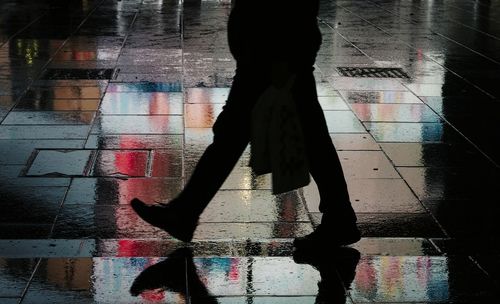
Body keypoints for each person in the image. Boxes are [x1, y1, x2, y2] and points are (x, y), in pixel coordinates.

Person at [131, 0, 360, 247]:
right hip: (272, 43)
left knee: (237, 131)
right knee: (302, 132)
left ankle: (184, 212)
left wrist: (280, 51)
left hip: (273, 46)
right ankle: (340, 217)